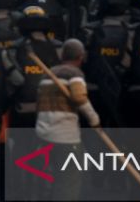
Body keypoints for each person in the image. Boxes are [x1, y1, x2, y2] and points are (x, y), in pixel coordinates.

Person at [35, 39, 100, 201]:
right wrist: (95, 120)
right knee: (68, 181)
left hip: (43, 134)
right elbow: (79, 97)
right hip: (65, 137)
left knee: (49, 179)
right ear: (80, 57)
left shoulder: (47, 74)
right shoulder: (74, 74)